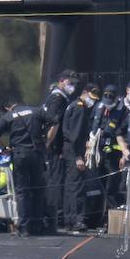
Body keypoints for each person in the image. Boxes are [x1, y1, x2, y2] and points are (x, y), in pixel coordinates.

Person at [0, 100, 48, 235]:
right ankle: (38, 224)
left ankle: (24, 227)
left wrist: (4, 148)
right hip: (37, 153)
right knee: (38, 189)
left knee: (22, 192)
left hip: (19, 154)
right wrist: (47, 142)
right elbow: (54, 121)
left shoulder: (9, 116)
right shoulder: (36, 110)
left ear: (7, 107)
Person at [39, 69, 79, 228]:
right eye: (70, 83)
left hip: (55, 147)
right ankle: (52, 218)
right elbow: (53, 124)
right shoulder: (57, 99)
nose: (73, 86)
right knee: (54, 182)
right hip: (54, 148)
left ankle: (54, 216)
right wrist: (48, 145)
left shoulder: (59, 98)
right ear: (61, 81)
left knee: (55, 181)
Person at [61, 83, 100, 230]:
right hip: (74, 152)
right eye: (91, 98)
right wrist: (78, 156)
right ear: (84, 93)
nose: (93, 102)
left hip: (68, 150)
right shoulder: (80, 108)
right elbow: (75, 135)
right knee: (77, 187)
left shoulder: (72, 105)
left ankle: (69, 219)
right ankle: (77, 220)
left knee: (70, 186)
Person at [88, 84, 127, 213]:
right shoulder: (98, 107)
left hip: (113, 151)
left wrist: (123, 154)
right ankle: (96, 212)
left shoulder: (124, 112)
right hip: (98, 151)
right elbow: (90, 125)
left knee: (112, 184)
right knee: (97, 182)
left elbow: (125, 134)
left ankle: (109, 215)